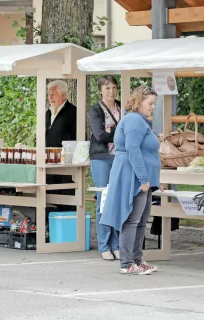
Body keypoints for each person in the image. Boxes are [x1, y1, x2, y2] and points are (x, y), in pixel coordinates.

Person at [101, 86, 162, 275]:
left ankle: (137, 259)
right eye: (150, 103)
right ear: (139, 102)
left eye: (154, 104)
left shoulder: (139, 121)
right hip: (134, 175)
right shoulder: (135, 120)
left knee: (141, 220)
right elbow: (132, 149)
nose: (153, 107)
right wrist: (143, 178)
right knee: (132, 219)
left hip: (140, 176)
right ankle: (127, 263)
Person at [89, 75, 120, 261]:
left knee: (116, 200)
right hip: (101, 158)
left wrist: (111, 132)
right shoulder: (96, 109)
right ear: (100, 90)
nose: (111, 91)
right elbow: (100, 135)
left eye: (114, 87)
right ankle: (104, 244)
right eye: (107, 88)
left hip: (119, 158)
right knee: (103, 200)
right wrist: (116, 133)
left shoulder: (122, 108)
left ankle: (116, 244)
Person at [45, 80, 77, 211]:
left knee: (65, 197)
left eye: (54, 94)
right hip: (48, 162)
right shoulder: (48, 113)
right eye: (49, 94)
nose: (50, 97)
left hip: (65, 163)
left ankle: (68, 225)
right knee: (49, 198)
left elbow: (76, 136)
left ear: (64, 95)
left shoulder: (73, 112)